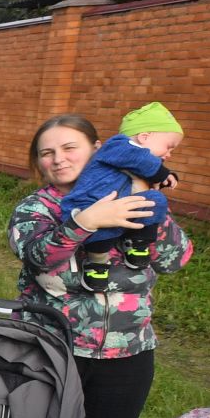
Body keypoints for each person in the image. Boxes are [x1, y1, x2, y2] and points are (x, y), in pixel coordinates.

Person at [10, 114, 193, 418]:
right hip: (50, 347)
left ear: (98, 149)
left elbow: (175, 259)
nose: (58, 159)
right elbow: (39, 256)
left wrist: (150, 208)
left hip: (127, 352)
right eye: (47, 152)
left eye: (70, 148)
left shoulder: (138, 193)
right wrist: (87, 220)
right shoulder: (38, 207)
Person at [57, 102, 185, 289]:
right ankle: (96, 263)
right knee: (103, 234)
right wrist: (162, 174)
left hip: (124, 208)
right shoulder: (118, 145)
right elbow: (140, 159)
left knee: (156, 201)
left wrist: (162, 178)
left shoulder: (139, 161)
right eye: (169, 147)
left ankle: (138, 243)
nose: (169, 154)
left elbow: (145, 167)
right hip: (90, 205)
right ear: (144, 136)